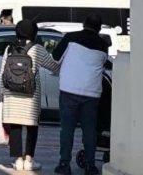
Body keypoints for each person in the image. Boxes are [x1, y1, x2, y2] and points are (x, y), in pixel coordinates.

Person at [0, 19, 59, 172]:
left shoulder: (9, 49)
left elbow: (2, 74)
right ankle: (29, 160)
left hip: (11, 95)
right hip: (30, 95)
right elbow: (53, 66)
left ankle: (18, 160)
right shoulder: (37, 48)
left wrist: (3, 94)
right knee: (32, 127)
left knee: (15, 127)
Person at [52, 14, 109, 175]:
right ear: (99, 28)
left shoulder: (70, 38)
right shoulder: (103, 45)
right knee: (89, 130)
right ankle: (90, 166)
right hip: (92, 92)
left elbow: (55, 57)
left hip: (69, 89)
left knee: (67, 129)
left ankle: (64, 164)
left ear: (84, 24)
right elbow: (103, 63)